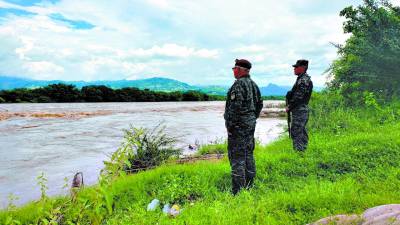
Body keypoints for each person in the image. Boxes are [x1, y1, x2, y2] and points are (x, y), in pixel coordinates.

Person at [224, 59, 263, 195]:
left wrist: (230, 126)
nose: (233, 71)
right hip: (249, 126)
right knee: (248, 155)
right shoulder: (254, 85)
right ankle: (249, 186)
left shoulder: (239, 85)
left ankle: (238, 192)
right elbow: (259, 105)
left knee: (237, 158)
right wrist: (251, 118)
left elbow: (234, 108)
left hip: (238, 128)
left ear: (241, 70)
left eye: (235, 68)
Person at [285, 59, 313, 152]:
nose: (294, 69)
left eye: (296, 67)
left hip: (300, 110)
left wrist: (289, 106)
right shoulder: (302, 79)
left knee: (297, 132)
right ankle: (303, 152)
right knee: (301, 131)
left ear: (302, 68)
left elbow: (299, 96)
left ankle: (299, 153)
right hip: (300, 110)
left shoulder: (303, 80)